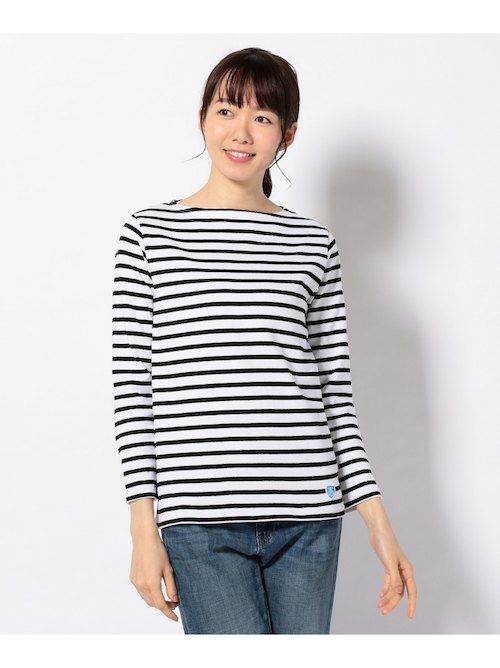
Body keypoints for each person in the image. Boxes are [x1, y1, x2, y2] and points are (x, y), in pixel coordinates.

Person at [111, 47, 417, 633]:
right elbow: (134, 395)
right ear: (203, 118)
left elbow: (335, 398)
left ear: (287, 134)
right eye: (227, 111)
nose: (242, 132)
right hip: (200, 522)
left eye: (263, 117)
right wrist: (142, 530)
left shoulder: (314, 244)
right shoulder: (150, 234)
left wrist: (378, 524)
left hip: (310, 517)